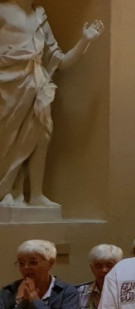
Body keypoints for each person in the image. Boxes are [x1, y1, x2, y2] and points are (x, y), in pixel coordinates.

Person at [0, 2, 103, 206]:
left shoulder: (39, 16)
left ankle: (36, 194)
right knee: (7, 138)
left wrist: (85, 40)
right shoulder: (2, 10)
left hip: (37, 84)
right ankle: (5, 191)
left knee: (41, 136)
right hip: (8, 87)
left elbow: (61, 61)